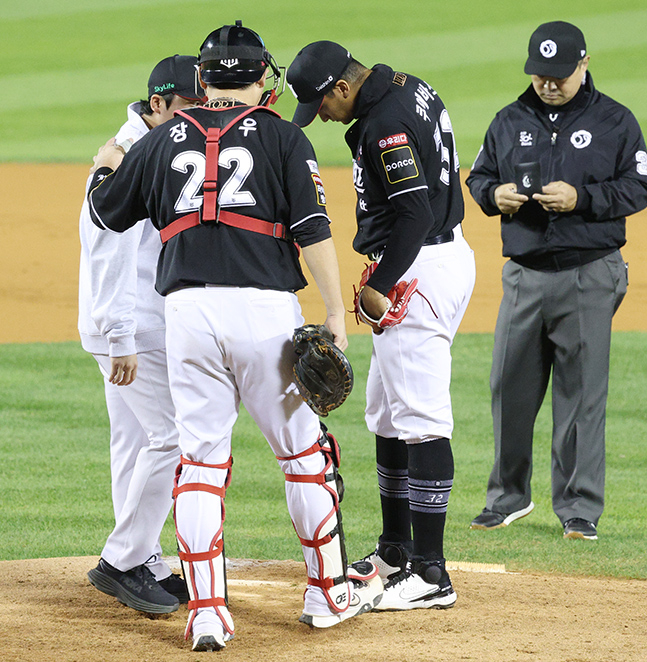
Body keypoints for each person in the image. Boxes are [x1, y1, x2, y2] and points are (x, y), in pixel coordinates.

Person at [86, 22, 382, 652]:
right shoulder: (283, 136)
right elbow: (312, 229)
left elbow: (106, 210)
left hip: (186, 317)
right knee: (304, 455)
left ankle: (208, 616)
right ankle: (327, 593)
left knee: (200, 462)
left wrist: (107, 167)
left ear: (205, 79)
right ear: (258, 78)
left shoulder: (163, 138)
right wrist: (334, 312)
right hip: (265, 314)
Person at [287, 41, 476, 610]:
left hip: (418, 264)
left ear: (343, 87)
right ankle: (396, 549)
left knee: (419, 418)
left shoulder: (383, 124)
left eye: (321, 103)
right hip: (428, 256)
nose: (320, 115)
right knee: (387, 412)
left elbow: (415, 210)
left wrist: (380, 282)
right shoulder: (408, 87)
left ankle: (430, 572)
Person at [466, 21, 647, 541]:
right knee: (508, 388)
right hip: (524, 276)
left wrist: (582, 199)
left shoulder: (615, 121)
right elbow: (477, 177)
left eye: (560, 75)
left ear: (583, 65)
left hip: (589, 274)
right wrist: (491, 194)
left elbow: (638, 186)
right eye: (541, 74)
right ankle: (507, 498)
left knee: (581, 395)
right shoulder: (509, 119)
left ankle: (579, 508)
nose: (549, 83)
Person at [80, 55, 205, 613]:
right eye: (186, 108)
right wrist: (120, 336)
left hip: (138, 324)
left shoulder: (158, 145)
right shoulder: (125, 158)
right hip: (130, 328)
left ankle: (144, 554)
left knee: (133, 443)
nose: (196, 118)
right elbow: (110, 254)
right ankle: (123, 559)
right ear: (157, 104)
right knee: (173, 438)